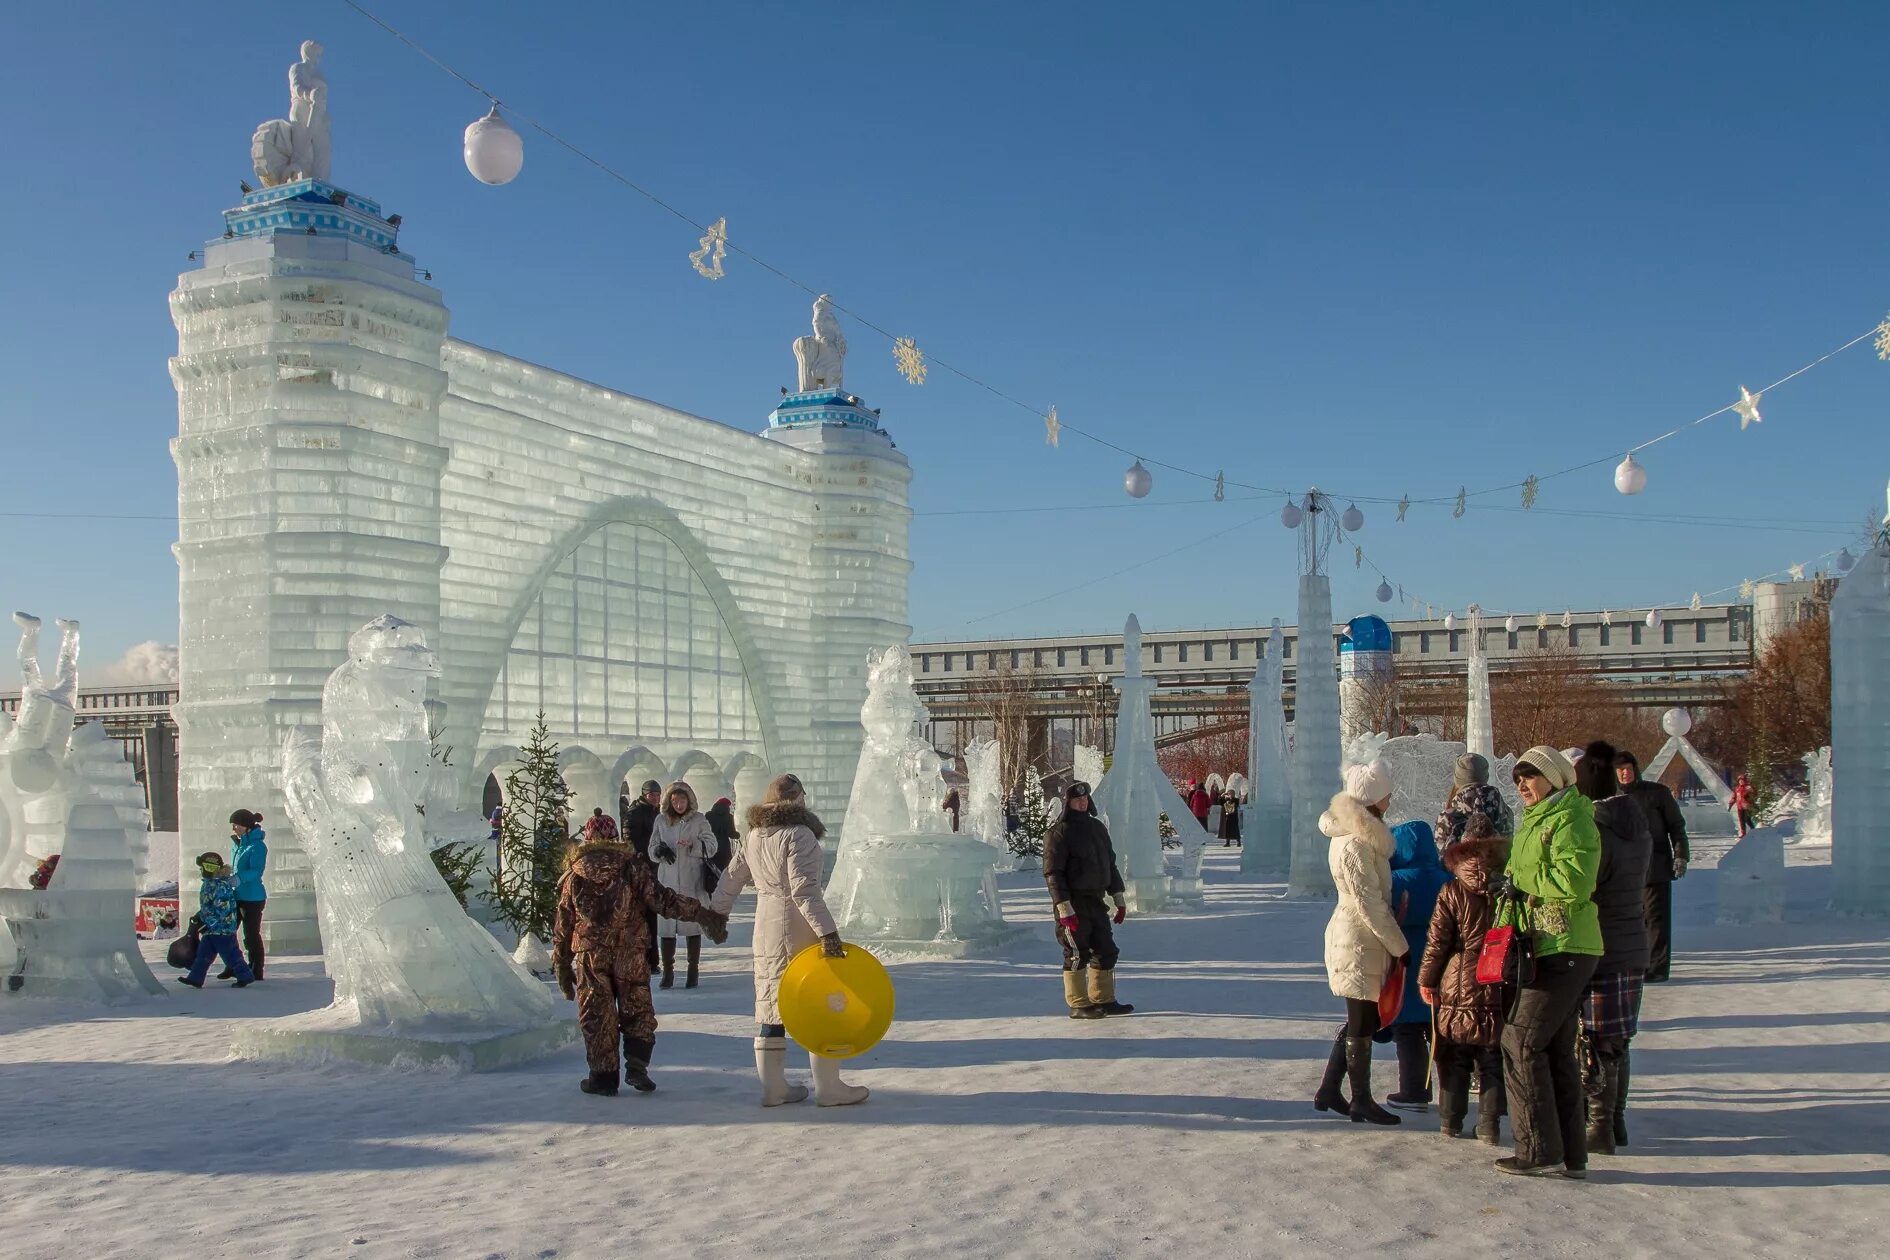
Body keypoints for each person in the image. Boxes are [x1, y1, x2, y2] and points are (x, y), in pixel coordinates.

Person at [708, 773, 869, 1108]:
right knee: (818, 1003)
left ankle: (774, 1087)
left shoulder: (754, 834)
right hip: (799, 927)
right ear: (797, 799)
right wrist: (827, 932)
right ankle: (829, 1087)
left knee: (770, 1002)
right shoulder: (800, 834)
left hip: (765, 925)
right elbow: (804, 890)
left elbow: (732, 876)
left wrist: (716, 913)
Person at [553, 827, 727, 1096]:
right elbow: (663, 900)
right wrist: (703, 914)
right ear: (615, 839)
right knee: (637, 1008)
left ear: (587, 841)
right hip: (630, 951)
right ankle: (637, 1066)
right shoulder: (632, 867)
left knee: (597, 1015)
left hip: (590, 955)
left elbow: (563, 925)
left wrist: (562, 965)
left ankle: (603, 1079)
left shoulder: (573, 875)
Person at [1497, 747, 1603, 1178]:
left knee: (1519, 1041)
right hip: (1543, 944)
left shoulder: (1572, 819)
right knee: (1554, 1048)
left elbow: (1574, 880)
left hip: (1567, 945)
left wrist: (1519, 881)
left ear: (1556, 779)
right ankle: (1571, 1154)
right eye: (1518, 777)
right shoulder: (1536, 821)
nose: (1522, 784)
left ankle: (1540, 1151)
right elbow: (1520, 886)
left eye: (1531, 776)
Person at [1311, 760, 1406, 1127]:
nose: (1391, 798)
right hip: (1357, 937)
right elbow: (1369, 903)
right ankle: (1359, 1099)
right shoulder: (1355, 843)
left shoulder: (1363, 837)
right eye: (1386, 793)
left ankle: (1331, 1090)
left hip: (1363, 936)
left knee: (1363, 1017)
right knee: (1362, 1018)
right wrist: (1400, 946)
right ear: (1373, 798)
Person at [1575, 740, 1650, 1155]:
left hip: (1599, 942)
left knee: (1597, 1038)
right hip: (1633, 942)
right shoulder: (1635, 823)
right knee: (1618, 1039)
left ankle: (1599, 1126)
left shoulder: (1597, 831)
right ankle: (1616, 1120)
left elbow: (1586, 886)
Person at [1418, 813, 1510, 1142]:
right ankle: (1489, 1124)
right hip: (1498, 976)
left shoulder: (1452, 890)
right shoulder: (1509, 886)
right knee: (1492, 1055)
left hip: (1458, 979)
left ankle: (1450, 1119)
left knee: (1454, 1052)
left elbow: (1437, 941)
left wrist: (1427, 980)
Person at [1042, 780, 1132, 1020]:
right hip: (1074, 904)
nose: (1082, 803)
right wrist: (1064, 907)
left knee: (1106, 949)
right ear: (1068, 804)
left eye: (1084, 799)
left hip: (1096, 901)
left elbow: (1109, 865)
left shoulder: (1097, 828)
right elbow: (1053, 873)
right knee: (1076, 952)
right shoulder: (1058, 833)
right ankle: (1079, 1002)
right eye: (1076, 800)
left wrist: (1119, 897)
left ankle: (1103, 999)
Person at [1385, 818, 1448, 1112]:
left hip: (1406, 963)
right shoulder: (1445, 879)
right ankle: (1452, 1093)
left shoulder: (1394, 881)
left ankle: (1414, 1091)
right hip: (1441, 963)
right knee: (1441, 1031)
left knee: (1407, 1031)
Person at [1614, 750, 1688, 983]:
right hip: (1623, 872)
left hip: (1655, 867)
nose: (1625, 773)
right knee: (1632, 921)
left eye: (1628, 768)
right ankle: (1634, 965)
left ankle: (1656, 968)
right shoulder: (1610, 799)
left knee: (1656, 920)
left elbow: (1676, 826)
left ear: (1636, 769)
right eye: (1620, 770)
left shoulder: (1657, 794)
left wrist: (1681, 855)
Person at [648, 782, 718, 989]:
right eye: (675, 800)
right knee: (667, 928)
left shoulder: (699, 820)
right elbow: (652, 846)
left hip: (691, 880)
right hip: (667, 881)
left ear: (689, 800)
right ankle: (668, 972)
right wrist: (659, 851)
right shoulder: (661, 820)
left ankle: (692, 971)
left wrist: (694, 846)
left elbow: (712, 845)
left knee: (691, 926)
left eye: (682, 800)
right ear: (669, 801)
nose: (679, 804)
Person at [179, 851, 255, 989]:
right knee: (203, 954)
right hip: (212, 929)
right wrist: (200, 916)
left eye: (203, 868)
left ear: (210, 868)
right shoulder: (211, 884)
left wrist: (211, 923)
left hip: (221, 929)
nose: (201, 871)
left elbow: (222, 909)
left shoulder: (219, 886)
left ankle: (245, 975)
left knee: (230, 954)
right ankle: (195, 978)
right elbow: (208, 905)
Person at [1436, 752, 1514, 848]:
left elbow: (1443, 857)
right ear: (1485, 776)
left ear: (1458, 779)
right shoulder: (1504, 811)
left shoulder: (1448, 817)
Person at [226, 809, 267, 982]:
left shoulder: (257, 846)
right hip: (237, 896)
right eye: (233, 825)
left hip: (253, 898)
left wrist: (239, 878)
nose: (234, 828)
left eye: (237, 825)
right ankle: (234, 965)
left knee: (251, 935)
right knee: (228, 932)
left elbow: (256, 871)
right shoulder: (238, 844)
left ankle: (256, 969)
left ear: (247, 826)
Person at [705, 796, 737, 875]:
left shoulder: (709, 815)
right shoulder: (729, 817)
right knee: (724, 871)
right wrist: (737, 835)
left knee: (711, 869)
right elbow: (731, 833)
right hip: (724, 848)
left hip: (711, 845)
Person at [1731, 773, 1756, 838]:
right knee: (1741, 820)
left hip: (1747, 806)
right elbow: (1734, 797)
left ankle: (1753, 830)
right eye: (1740, 780)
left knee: (1747, 819)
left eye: (1742, 780)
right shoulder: (1737, 788)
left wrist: (1749, 797)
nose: (1741, 781)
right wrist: (1731, 802)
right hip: (1739, 806)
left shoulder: (1748, 787)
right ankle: (1743, 833)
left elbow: (1754, 794)